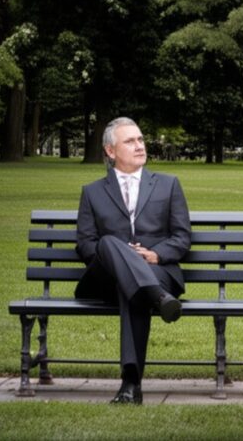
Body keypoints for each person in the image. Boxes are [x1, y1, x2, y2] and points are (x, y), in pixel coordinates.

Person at [75, 117, 192, 404]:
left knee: (134, 289)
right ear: (110, 151)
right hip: (106, 278)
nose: (139, 146)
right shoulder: (92, 192)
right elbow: (86, 244)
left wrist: (156, 254)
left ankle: (130, 385)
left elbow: (181, 236)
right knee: (108, 242)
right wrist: (122, 257)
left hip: (158, 270)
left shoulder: (168, 185)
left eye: (140, 139)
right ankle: (157, 297)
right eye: (130, 141)